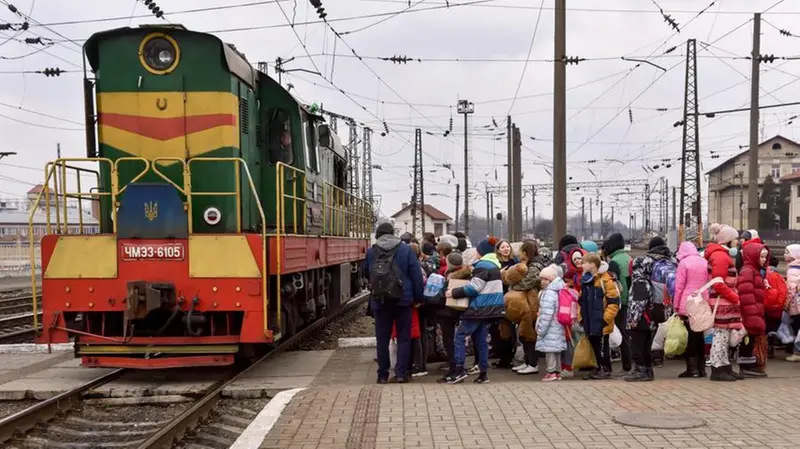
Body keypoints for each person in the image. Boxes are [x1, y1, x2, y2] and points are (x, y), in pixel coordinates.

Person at [366, 222, 424, 384]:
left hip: (380, 300)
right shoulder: (405, 249)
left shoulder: (372, 251)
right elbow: (416, 276)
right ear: (393, 233)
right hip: (403, 300)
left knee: (382, 339)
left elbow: (366, 273)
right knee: (403, 337)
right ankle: (401, 373)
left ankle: (382, 375)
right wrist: (418, 298)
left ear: (378, 234)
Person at [445, 238, 505, 384]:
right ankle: (483, 373)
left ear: (480, 252)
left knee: (460, 336)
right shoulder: (495, 266)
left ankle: (459, 370)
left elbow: (474, 288)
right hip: (491, 309)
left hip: (478, 308)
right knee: (481, 341)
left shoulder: (482, 266)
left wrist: (453, 292)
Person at [704, 223, 743, 381]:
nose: (737, 242)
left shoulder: (722, 255)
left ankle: (724, 365)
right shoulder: (720, 256)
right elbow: (718, 282)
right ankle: (717, 368)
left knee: (724, 334)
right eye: (735, 239)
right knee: (721, 335)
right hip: (723, 302)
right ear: (728, 240)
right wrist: (734, 297)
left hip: (725, 302)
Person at [578, 253, 620, 379]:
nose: (582, 264)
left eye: (584, 262)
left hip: (601, 321)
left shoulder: (606, 280)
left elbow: (613, 302)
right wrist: (581, 317)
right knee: (594, 344)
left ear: (592, 265)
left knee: (602, 346)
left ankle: (605, 368)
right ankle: (598, 367)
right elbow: (581, 301)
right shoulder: (586, 280)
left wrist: (605, 319)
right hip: (590, 319)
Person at [507, 240, 546, 375]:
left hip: (533, 304)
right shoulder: (533, 263)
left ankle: (533, 363)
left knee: (529, 334)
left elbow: (527, 283)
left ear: (525, 252)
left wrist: (513, 288)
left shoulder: (535, 266)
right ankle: (528, 361)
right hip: (529, 302)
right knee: (524, 333)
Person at [673, 241, 711, 378]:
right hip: (702, 302)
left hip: (688, 302)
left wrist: (676, 305)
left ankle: (692, 368)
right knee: (700, 334)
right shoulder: (704, 262)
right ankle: (702, 368)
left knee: (690, 335)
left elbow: (679, 287)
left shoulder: (684, 263)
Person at [601, 233, 632, 376]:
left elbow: (616, 284)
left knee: (617, 332)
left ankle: (626, 366)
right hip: (630, 300)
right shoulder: (628, 258)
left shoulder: (614, 262)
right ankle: (629, 364)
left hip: (620, 301)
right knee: (626, 333)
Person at [737, 243, 768, 377]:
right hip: (751, 313)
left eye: (765, 257)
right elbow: (746, 295)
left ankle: (751, 366)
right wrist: (753, 314)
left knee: (751, 339)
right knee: (749, 340)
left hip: (754, 312)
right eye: (761, 257)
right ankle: (748, 366)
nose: (764, 260)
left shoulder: (753, 270)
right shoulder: (748, 271)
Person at [536, 264, 568, 381]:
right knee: (556, 350)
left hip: (550, 326)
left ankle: (551, 372)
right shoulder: (558, 290)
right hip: (558, 324)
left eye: (545, 279)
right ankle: (557, 371)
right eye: (542, 279)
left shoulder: (549, 293)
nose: (543, 281)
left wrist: (541, 329)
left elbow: (546, 313)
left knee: (550, 350)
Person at [494, 238, 519, 368]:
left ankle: (508, 358)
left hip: (512, 297)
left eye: (507, 246)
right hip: (499, 296)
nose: (506, 249)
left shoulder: (515, 262)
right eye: (503, 247)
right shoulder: (496, 263)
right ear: (498, 250)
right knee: (500, 328)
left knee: (509, 328)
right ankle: (502, 356)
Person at [764, 253, 786, 359]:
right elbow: (783, 292)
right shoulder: (780, 277)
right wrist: (780, 304)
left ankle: (766, 348)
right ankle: (772, 348)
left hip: (766, 307)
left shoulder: (765, 275)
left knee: (766, 327)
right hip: (777, 309)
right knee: (774, 328)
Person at [784, 244, 800, 362]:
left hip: (796, 304)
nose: (785, 255)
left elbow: (790, 290)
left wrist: (785, 304)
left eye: (787, 252)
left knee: (796, 326)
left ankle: (797, 351)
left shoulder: (793, 269)